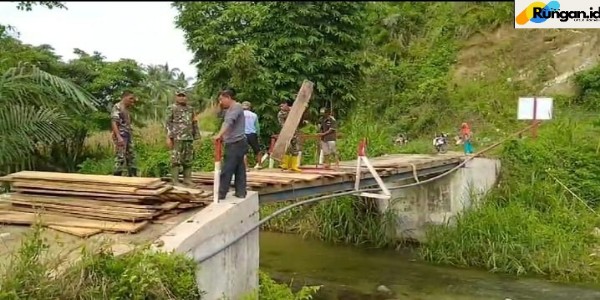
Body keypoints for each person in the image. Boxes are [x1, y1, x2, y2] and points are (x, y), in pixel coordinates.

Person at [213, 88, 248, 200]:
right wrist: (223, 136)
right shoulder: (231, 108)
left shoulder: (235, 107)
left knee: (227, 168)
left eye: (221, 99)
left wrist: (219, 135)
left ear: (228, 97)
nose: (220, 102)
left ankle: (221, 193)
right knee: (239, 168)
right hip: (238, 142)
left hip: (235, 143)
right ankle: (241, 192)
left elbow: (228, 122)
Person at [166, 90, 199, 187]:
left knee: (188, 159)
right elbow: (168, 123)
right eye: (179, 96)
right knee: (176, 159)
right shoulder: (172, 108)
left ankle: (187, 180)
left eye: (183, 96)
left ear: (186, 97)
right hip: (177, 138)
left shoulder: (190, 109)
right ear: (176, 97)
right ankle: (175, 181)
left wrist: (196, 136)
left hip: (188, 137)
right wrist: (168, 137)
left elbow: (194, 122)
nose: (182, 98)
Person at [111, 90, 137, 176]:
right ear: (124, 97)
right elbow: (114, 122)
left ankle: (132, 177)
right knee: (120, 158)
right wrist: (118, 137)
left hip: (128, 134)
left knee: (131, 157)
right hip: (121, 135)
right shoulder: (117, 107)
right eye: (130, 98)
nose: (132, 100)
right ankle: (117, 178)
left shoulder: (127, 108)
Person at [277, 99, 302, 172]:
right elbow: (282, 124)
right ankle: (285, 164)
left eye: (283, 105)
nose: (281, 107)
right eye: (280, 106)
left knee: (295, 148)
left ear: (287, 105)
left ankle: (294, 166)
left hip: (295, 132)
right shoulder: (281, 113)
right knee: (287, 148)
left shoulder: (292, 110)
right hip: (286, 132)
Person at [242, 101, 263, 170]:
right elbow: (257, 126)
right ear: (250, 107)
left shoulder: (240, 114)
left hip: (243, 134)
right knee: (257, 150)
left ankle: (246, 167)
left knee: (244, 152)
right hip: (252, 134)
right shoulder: (254, 115)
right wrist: (258, 134)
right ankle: (259, 165)